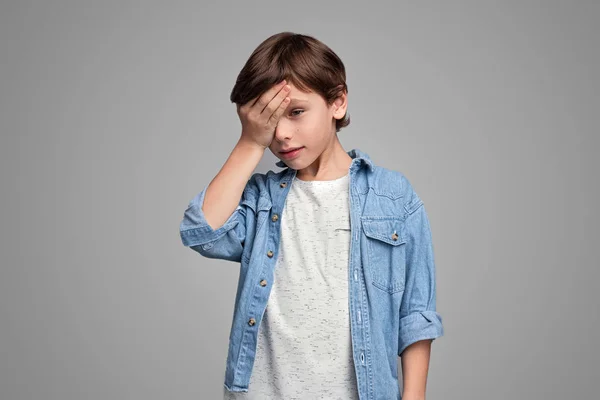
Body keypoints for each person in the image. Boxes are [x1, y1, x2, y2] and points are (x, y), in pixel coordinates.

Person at [179, 31, 444, 400]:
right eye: (269, 120)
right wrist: (250, 142)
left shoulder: (392, 197)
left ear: (337, 102)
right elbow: (201, 232)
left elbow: (415, 315)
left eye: (296, 112)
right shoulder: (262, 198)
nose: (283, 134)